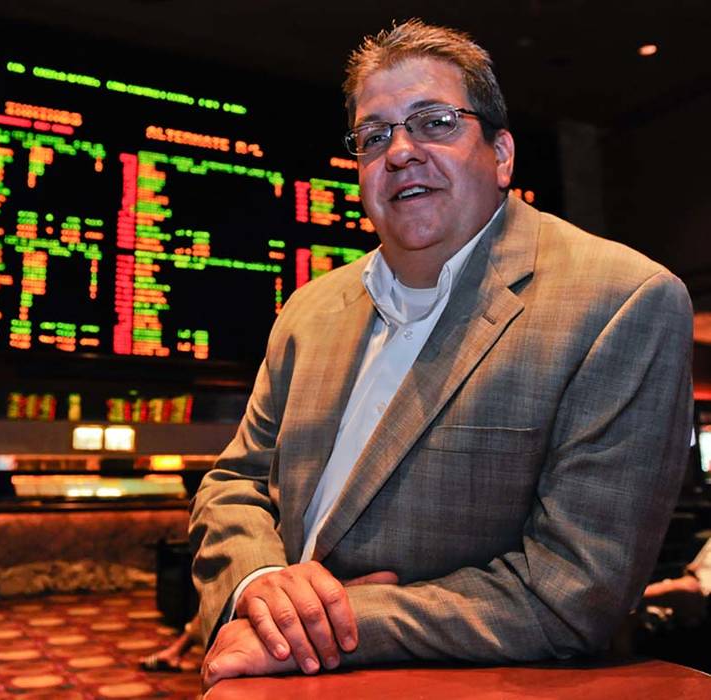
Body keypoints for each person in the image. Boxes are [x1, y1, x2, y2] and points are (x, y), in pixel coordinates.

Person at [189, 19, 694, 689]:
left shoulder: (624, 301)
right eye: (374, 137)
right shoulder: (307, 311)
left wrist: (335, 622)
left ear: (501, 153)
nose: (399, 152)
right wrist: (259, 580)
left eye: (434, 123)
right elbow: (234, 484)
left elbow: (573, 593)